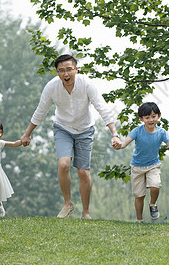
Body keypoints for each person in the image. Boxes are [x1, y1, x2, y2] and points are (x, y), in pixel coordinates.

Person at [21, 54, 121, 220]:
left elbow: (101, 107)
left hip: (85, 130)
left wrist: (114, 133)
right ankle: (68, 204)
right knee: (63, 163)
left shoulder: (87, 84)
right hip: (63, 128)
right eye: (61, 71)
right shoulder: (51, 87)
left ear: (76, 69)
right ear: (57, 72)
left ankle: (86, 212)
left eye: (69, 69)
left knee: (83, 172)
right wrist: (27, 133)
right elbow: (41, 110)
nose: (65, 74)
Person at [113, 102, 169, 223]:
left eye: (153, 116)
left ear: (159, 116)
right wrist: (119, 145)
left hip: (153, 165)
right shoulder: (137, 131)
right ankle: (139, 220)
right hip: (137, 167)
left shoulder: (161, 132)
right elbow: (124, 143)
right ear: (141, 119)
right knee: (139, 195)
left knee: (155, 186)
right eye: (147, 117)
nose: (151, 120)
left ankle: (152, 203)